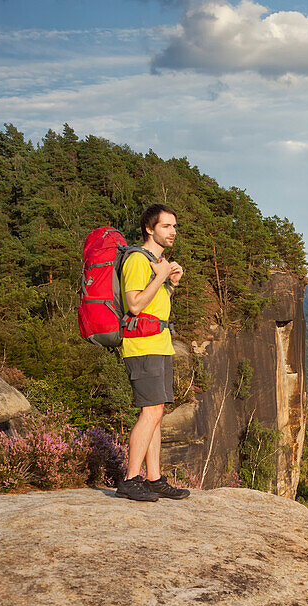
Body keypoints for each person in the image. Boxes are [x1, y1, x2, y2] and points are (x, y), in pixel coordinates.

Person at [114, 203, 190, 501]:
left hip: (159, 342)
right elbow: (134, 304)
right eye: (166, 226)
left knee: (157, 413)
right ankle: (131, 479)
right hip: (141, 346)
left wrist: (171, 284)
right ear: (150, 228)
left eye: (174, 226)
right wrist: (160, 276)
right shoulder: (137, 260)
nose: (173, 232)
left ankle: (154, 477)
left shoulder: (156, 264)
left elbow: (154, 304)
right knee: (150, 412)